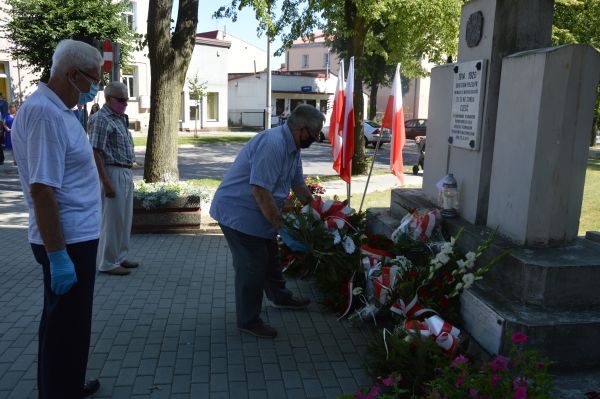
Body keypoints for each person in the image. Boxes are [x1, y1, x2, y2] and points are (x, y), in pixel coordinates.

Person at [11, 39, 103, 399]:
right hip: (67, 242)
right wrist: (58, 255)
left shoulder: (58, 110)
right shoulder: (46, 115)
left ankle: (65, 384)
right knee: (66, 326)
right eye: (92, 79)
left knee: (66, 323)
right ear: (72, 75)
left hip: (74, 237)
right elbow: (42, 190)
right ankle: (59, 391)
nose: (94, 86)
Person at [210, 104, 325, 338]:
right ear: (300, 129)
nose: (314, 139)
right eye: (313, 135)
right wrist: (281, 226)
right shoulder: (273, 144)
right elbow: (261, 191)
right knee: (253, 265)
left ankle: (280, 297)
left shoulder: (293, 147)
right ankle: (248, 320)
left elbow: (298, 183)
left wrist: (316, 212)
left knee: (270, 255)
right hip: (239, 213)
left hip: (258, 213)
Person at [88, 81, 138, 276]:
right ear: (108, 99)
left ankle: (120, 256)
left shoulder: (119, 117)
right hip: (112, 171)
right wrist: (106, 182)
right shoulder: (101, 118)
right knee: (112, 220)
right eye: (121, 99)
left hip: (125, 171)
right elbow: (96, 152)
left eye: (126, 99)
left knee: (124, 218)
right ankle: (107, 262)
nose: (125, 103)